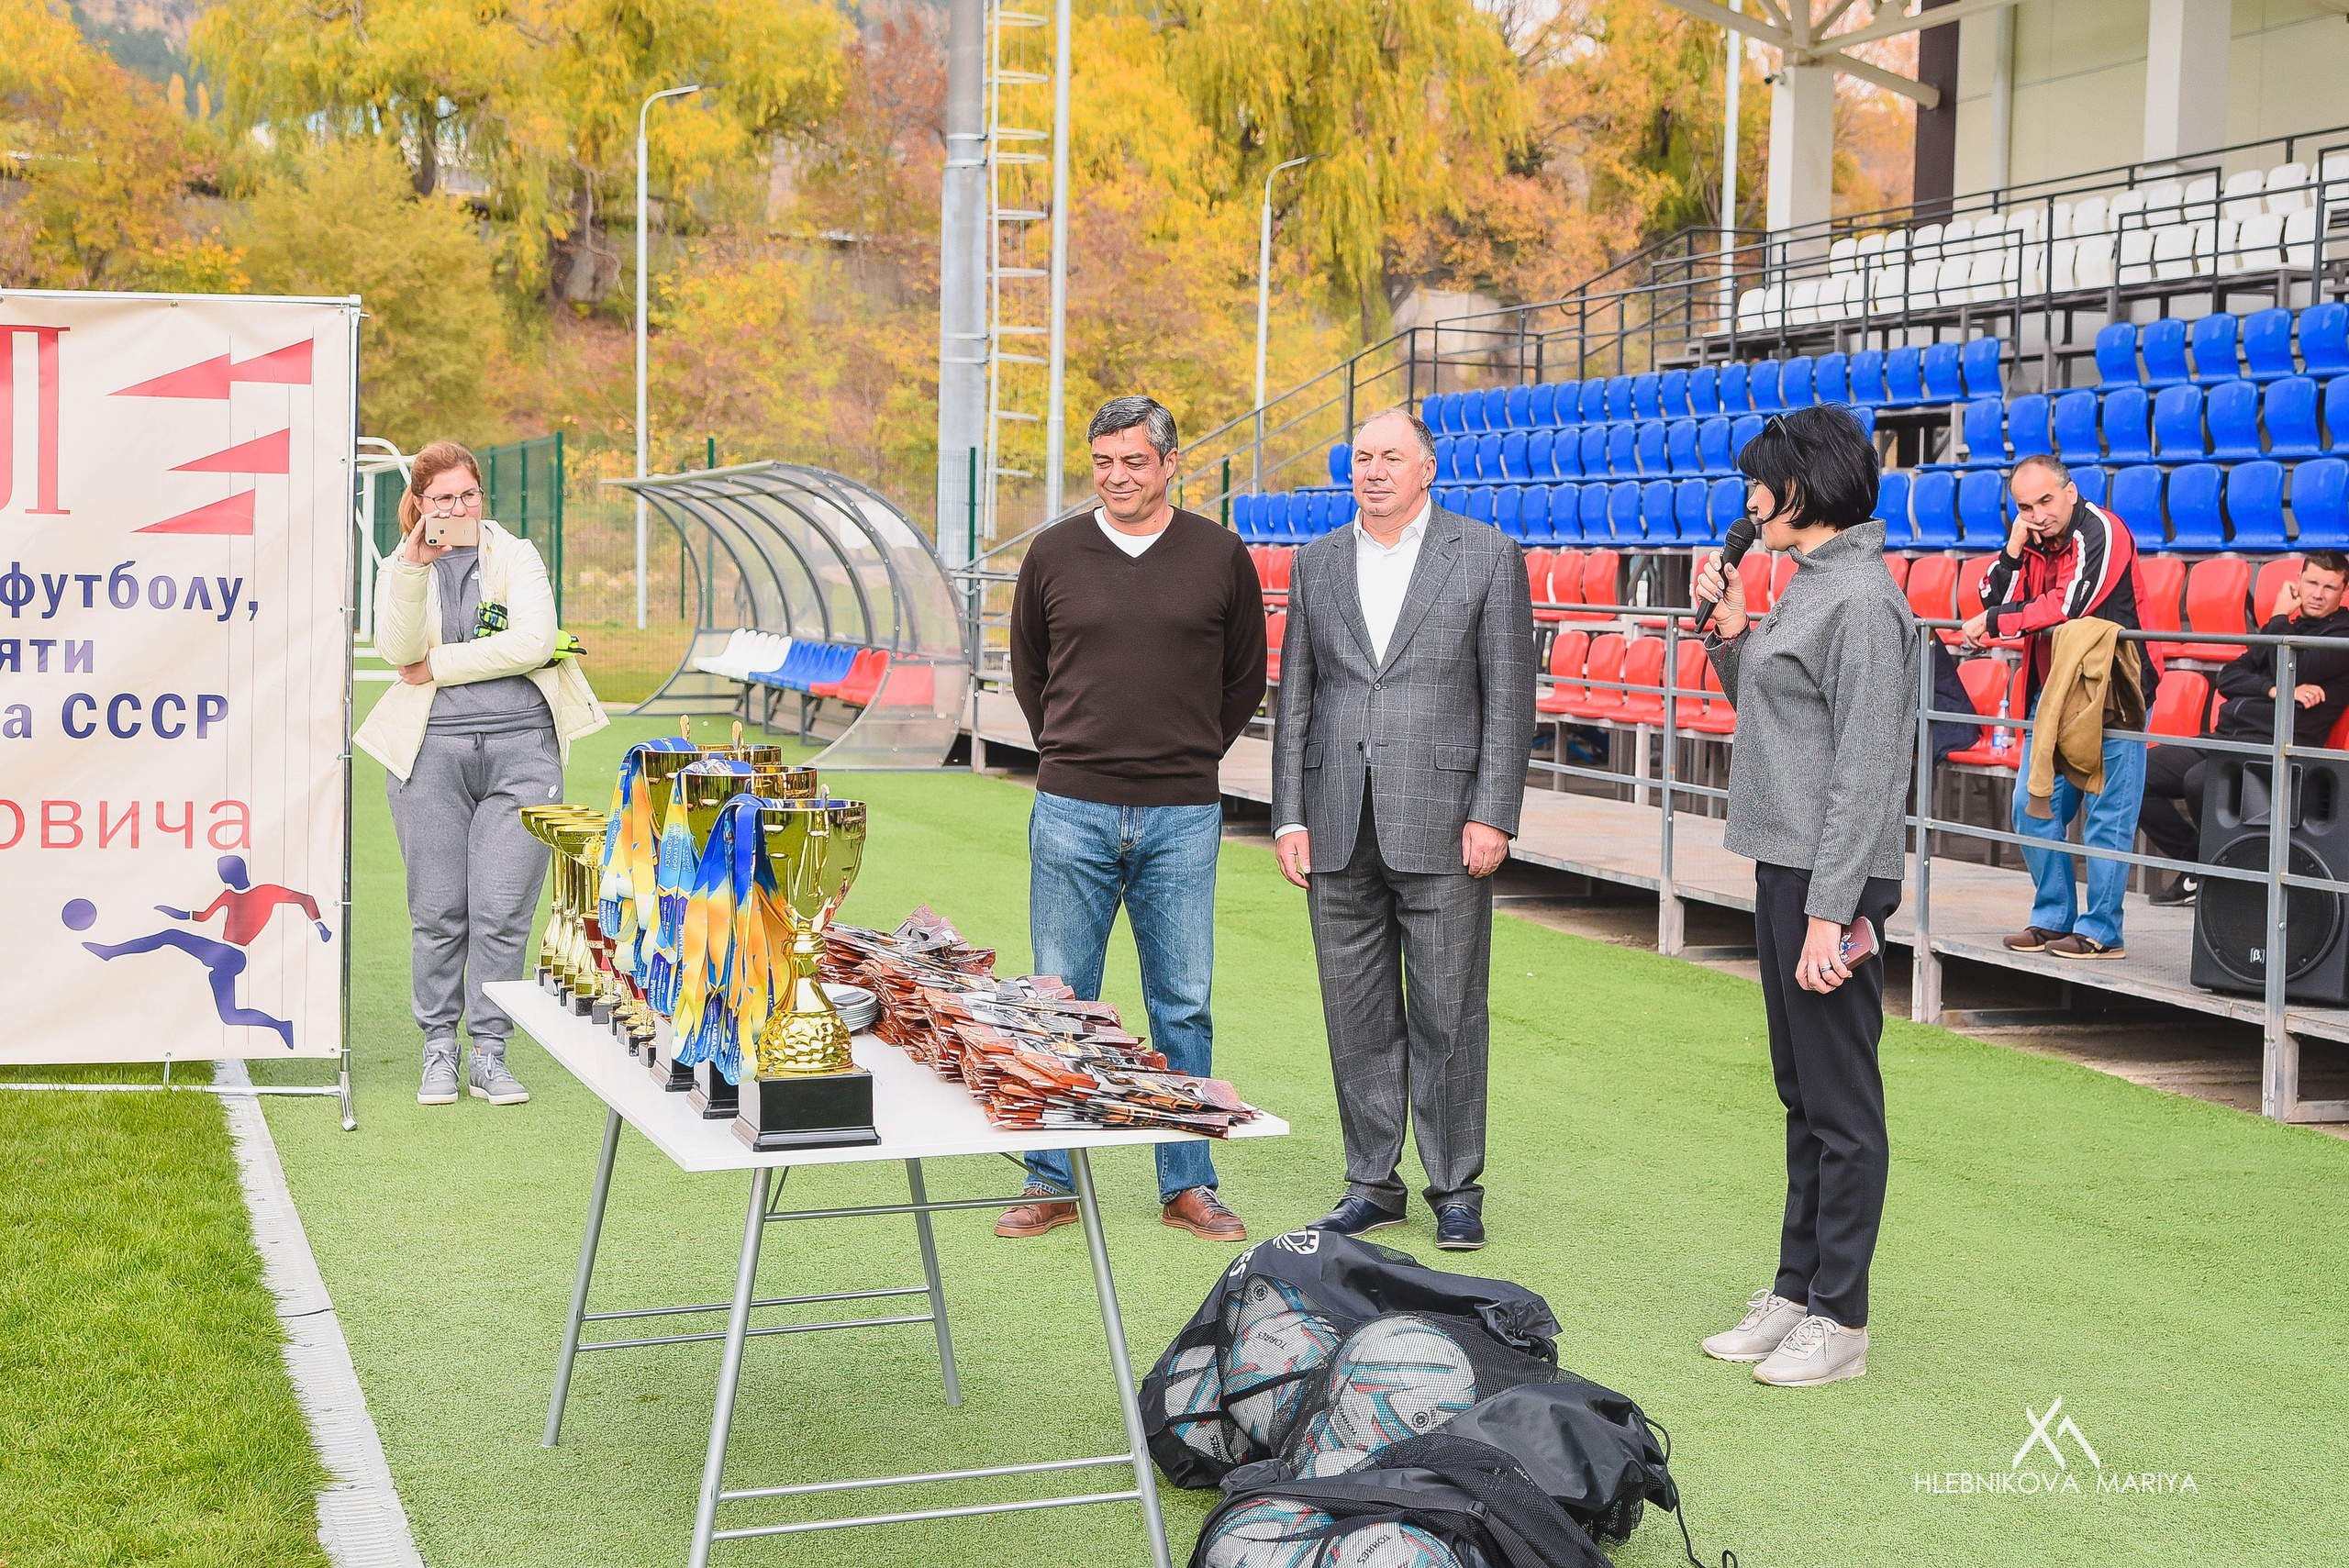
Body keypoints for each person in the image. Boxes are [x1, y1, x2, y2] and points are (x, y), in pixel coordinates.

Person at [998, 395, 1266, 1243]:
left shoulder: (1221, 556)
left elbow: (1245, 678)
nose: (1116, 477)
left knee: (1183, 1003)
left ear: (1170, 463)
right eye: (1103, 462)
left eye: (1134, 462)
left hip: (1182, 814)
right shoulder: (1053, 553)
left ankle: (1186, 1182)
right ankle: (1051, 1178)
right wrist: (1071, 751)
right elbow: (1029, 668)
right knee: (1057, 998)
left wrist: (1187, 754)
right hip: (1071, 808)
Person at [1692, 406, 1922, 1388]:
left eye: (1762, 482)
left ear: (1804, 486)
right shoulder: (1810, 582)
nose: (1749, 500)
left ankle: (1841, 1316)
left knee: (1840, 1103)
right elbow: (1776, 717)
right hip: (1790, 865)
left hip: (1830, 876)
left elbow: (1867, 772)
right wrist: (1733, 631)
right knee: (1802, 1093)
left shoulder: (1861, 599)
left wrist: (1832, 909)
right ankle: (1797, 1288)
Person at [1270, 406, 1535, 1252]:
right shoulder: (1317, 561)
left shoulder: (1487, 554)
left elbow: (1510, 697)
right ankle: (1371, 1183)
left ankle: (1455, 1187)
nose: (1373, 471)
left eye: (1390, 456)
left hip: (1448, 822)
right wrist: (1289, 813)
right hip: (1336, 818)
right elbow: (1296, 698)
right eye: (1361, 458)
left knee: (1448, 1012)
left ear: (1428, 468)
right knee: (1354, 1012)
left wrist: (1494, 810)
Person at [353, 441, 608, 1106]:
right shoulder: (399, 566)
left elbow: (533, 641)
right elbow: (397, 651)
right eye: (443, 498)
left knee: (501, 910)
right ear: (419, 504)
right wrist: (414, 568)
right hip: (429, 754)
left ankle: (490, 1053)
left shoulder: (516, 555)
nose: (458, 508)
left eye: (468, 494)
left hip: (523, 751)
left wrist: (438, 665)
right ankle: (439, 1047)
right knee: (438, 911)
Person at [1961, 454, 2159, 961]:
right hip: (2049, 695)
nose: (2038, 514)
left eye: (2046, 501)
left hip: (2116, 693)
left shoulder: (2103, 530)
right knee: (2032, 808)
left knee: (2107, 817)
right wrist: (2013, 549)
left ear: (2070, 492)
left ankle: (2102, 932)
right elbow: (1990, 595)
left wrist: (1996, 621)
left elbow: (2071, 606)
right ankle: (2054, 917)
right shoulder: (2030, 539)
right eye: (2025, 507)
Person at [2139, 551, 2349, 906]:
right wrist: (2273, 689)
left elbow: (2294, 668)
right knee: (2138, 774)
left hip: (2274, 746)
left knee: (2200, 781)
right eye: (2312, 582)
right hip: (2224, 738)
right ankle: (2199, 866)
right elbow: (2228, 677)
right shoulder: (2287, 629)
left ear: (2343, 592)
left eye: (2330, 587)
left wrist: (2278, 616)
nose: (2318, 593)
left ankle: (2219, 880)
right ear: (2298, 582)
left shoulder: (2340, 639)